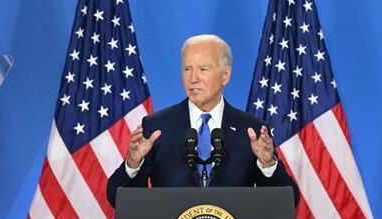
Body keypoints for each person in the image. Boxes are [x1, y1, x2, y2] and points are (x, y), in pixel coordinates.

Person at [106, 34, 298, 207]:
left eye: (203, 69)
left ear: (225, 75)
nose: (193, 79)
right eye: (187, 69)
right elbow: (117, 199)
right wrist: (133, 163)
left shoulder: (252, 130)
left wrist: (268, 164)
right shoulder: (157, 127)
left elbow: (287, 202)